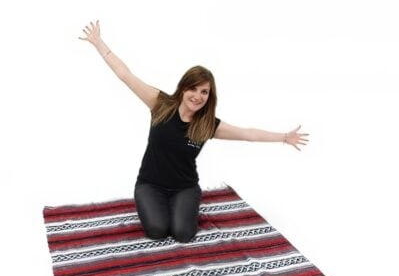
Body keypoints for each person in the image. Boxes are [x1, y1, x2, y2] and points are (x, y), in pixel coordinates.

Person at [78, 20, 310, 243]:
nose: (198, 96)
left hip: (185, 188)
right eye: (194, 89)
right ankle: (160, 207)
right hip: (150, 185)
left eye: (204, 92)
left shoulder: (207, 124)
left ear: (209, 96)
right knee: (157, 230)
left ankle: (182, 206)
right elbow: (125, 75)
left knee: (183, 234)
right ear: (183, 88)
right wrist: (99, 43)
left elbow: (248, 134)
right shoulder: (161, 105)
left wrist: (284, 137)